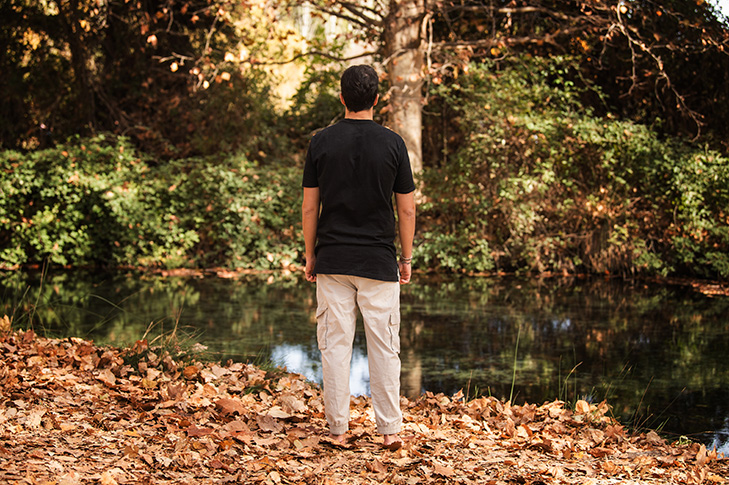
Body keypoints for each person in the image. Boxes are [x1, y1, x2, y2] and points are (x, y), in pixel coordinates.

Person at [301, 64, 416, 448]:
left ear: (341, 97)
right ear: (377, 99)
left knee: (334, 347)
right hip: (379, 262)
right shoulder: (394, 144)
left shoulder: (320, 142)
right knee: (385, 347)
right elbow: (407, 210)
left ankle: (337, 430)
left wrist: (309, 255)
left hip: (333, 259)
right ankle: (389, 433)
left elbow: (308, 207)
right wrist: (406, 258)